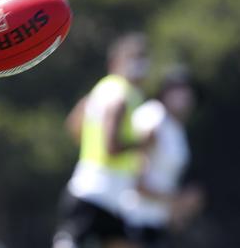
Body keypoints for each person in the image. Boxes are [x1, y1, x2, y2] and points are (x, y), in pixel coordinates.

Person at [53, 33, 150, 248]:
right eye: (133, 58)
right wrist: (142, 143)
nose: (140, 64)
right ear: (115, 62)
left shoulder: (104, 89)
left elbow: (74, 124)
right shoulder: (119, 93)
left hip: (104, 192)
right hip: (98, 191)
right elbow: (112, 146)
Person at [121, 68, 204, 248]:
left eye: (187, 90)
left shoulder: (176, 128)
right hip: (134, 219)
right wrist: (176, 199)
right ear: (165, 92)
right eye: (177, 89)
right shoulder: (154, 116)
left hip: (156, 221)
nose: (184, 95)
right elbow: (136, 172)